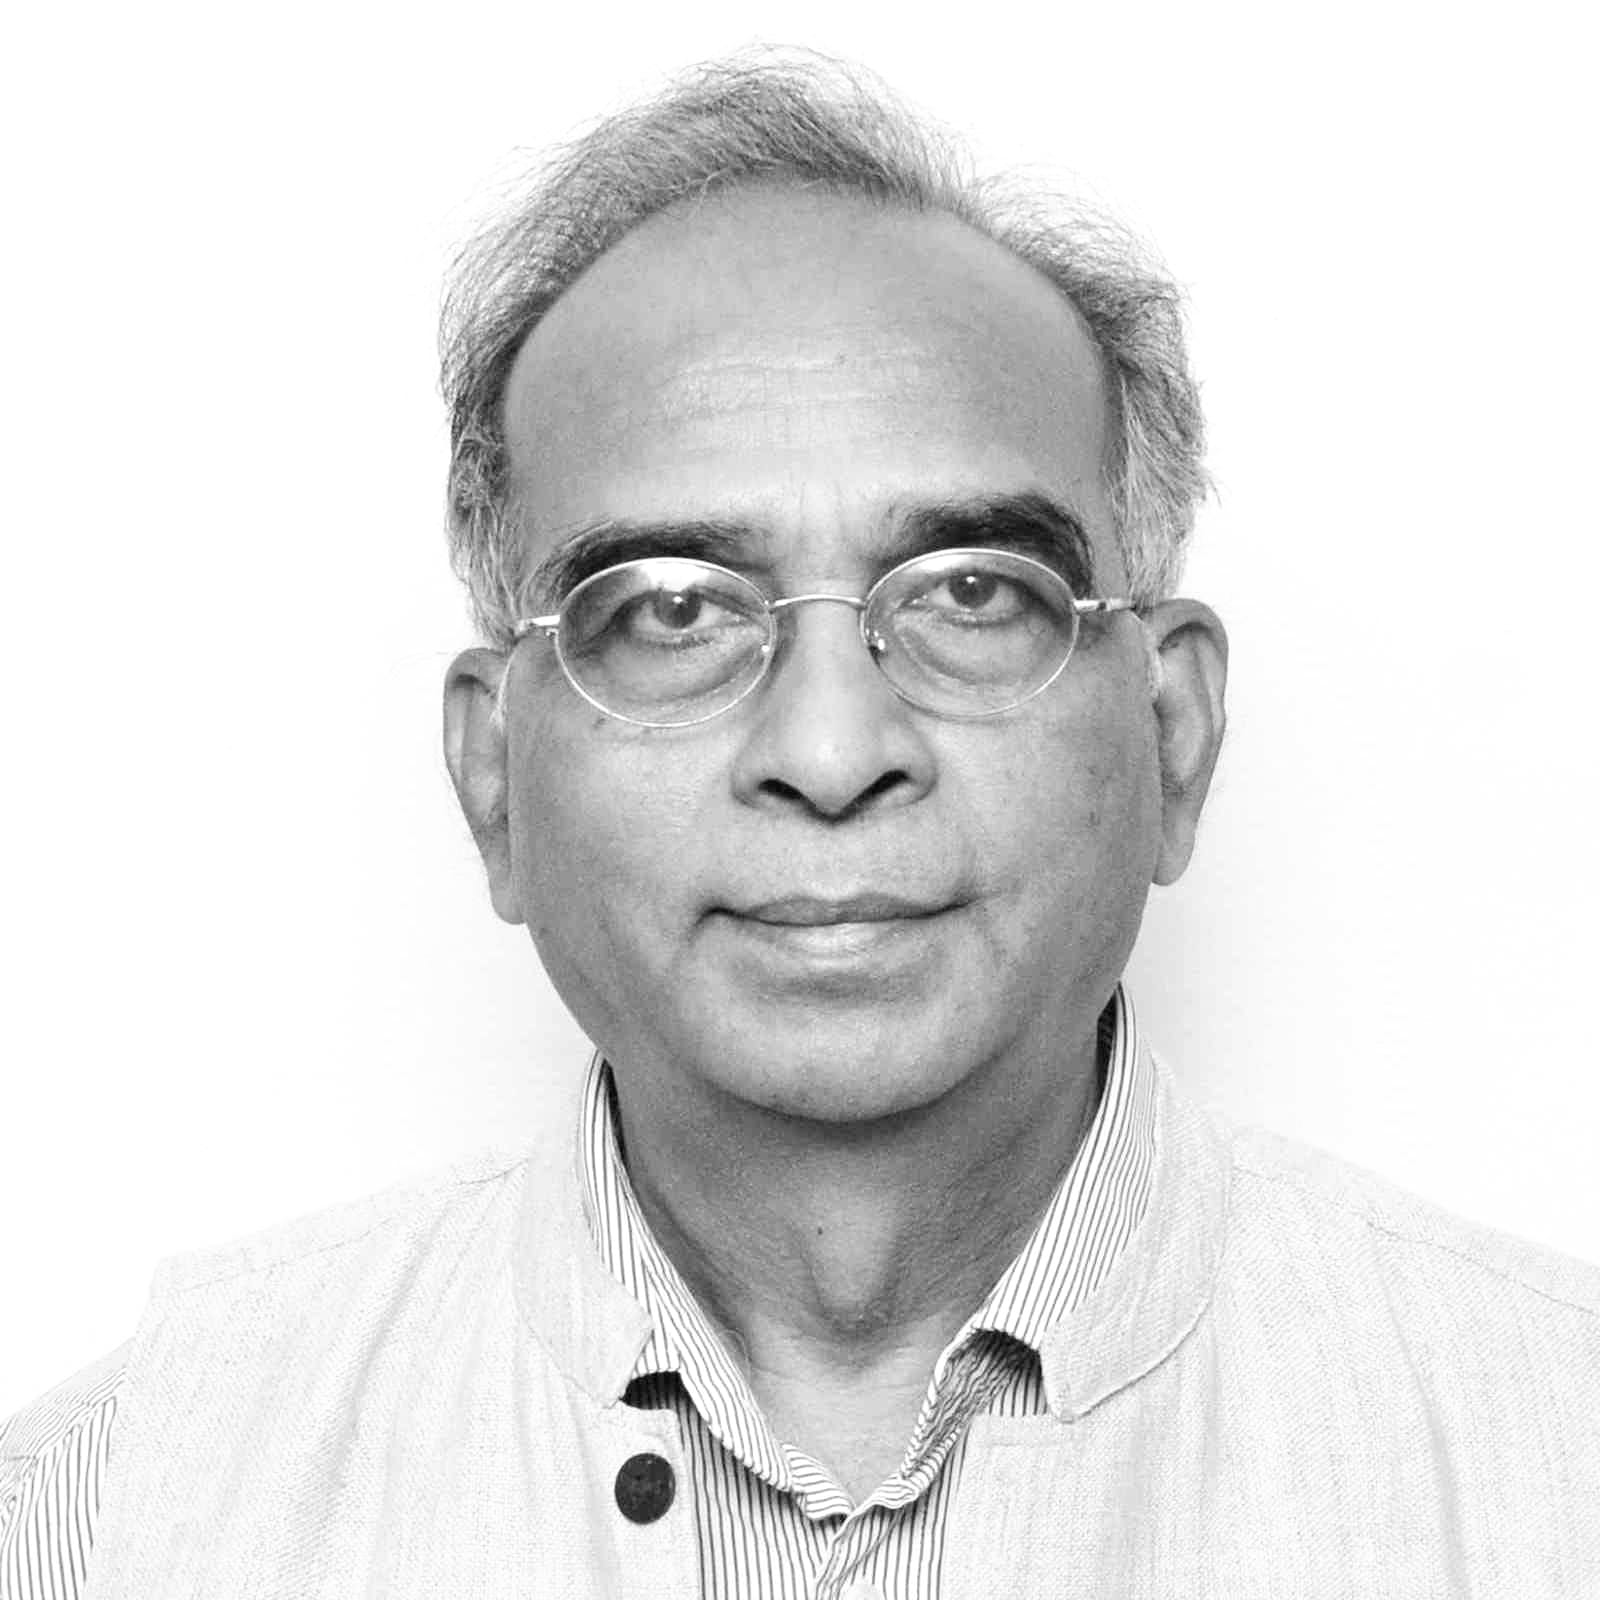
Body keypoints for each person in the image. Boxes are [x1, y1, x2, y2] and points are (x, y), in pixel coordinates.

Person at [3, 50, 1596, 1600]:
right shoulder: (103, 1525)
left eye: (974, 595)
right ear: (493, 781)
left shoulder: (1556, 1467)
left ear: (1172, 735)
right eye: (672, 610)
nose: (832, 753)